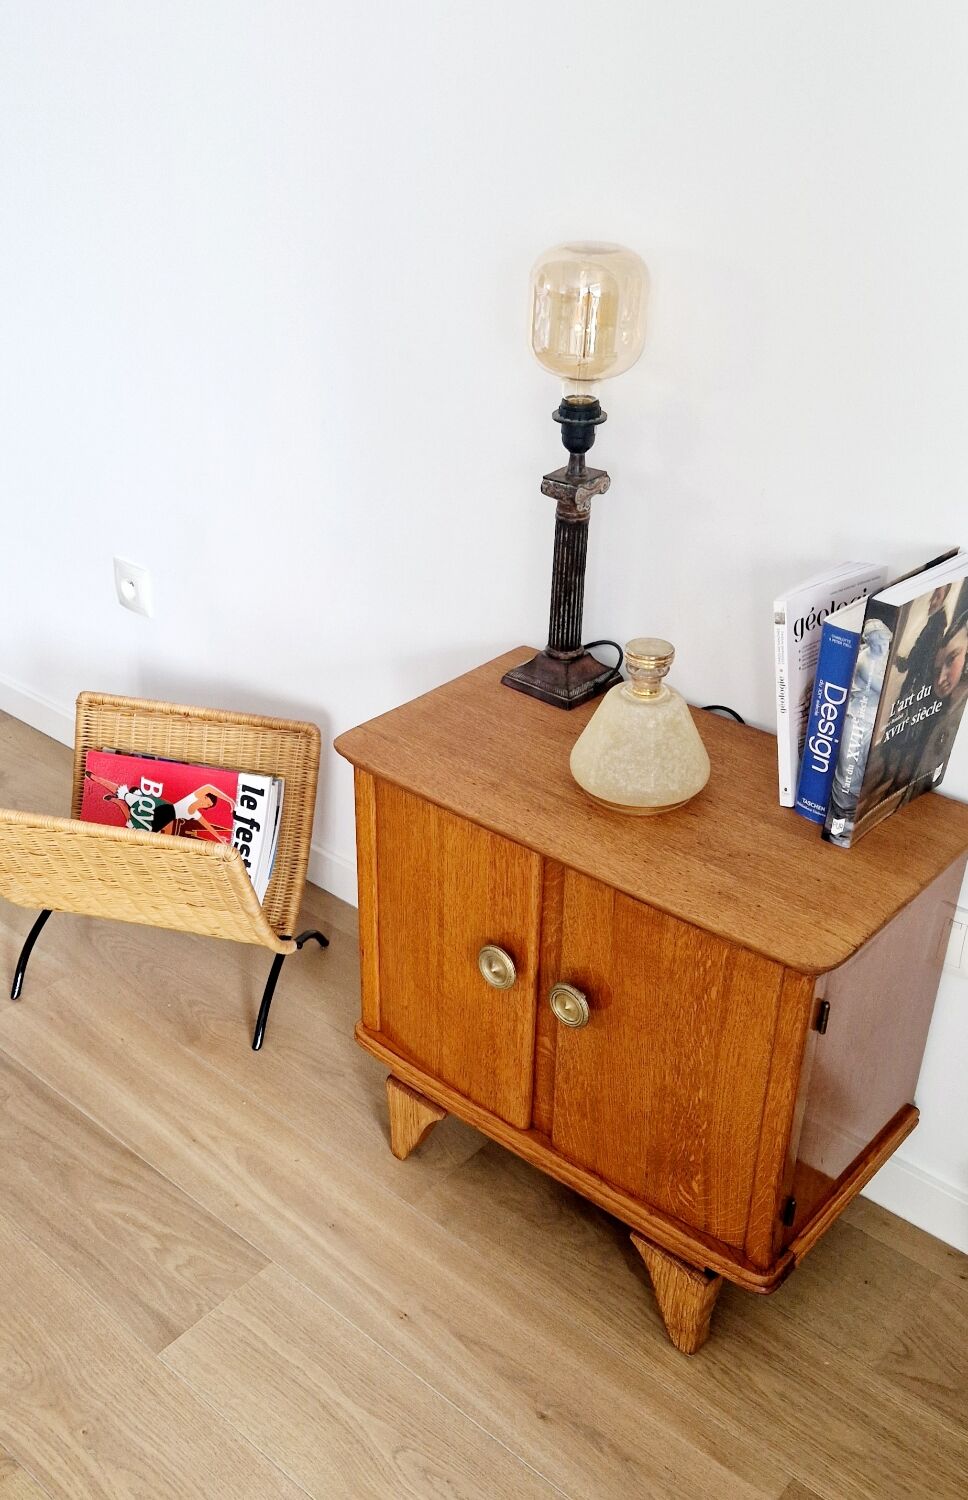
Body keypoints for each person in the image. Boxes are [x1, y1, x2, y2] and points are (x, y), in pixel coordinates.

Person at [84, 771, 235, 841]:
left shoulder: (195, 814)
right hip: (163, 809)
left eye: (207, 805)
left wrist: (219, 839)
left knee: (135, 825)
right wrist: (230, 800)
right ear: (204, 797)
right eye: (206, 800)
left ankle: (117, 802)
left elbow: (207, 826)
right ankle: (97, 778)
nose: (204, 804)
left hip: (163, 820)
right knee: (126, 795)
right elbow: (209, 787)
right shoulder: (193, 797)